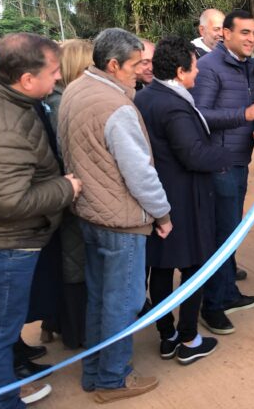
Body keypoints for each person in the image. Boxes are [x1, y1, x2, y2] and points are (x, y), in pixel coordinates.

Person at [0, 32, 81, 408]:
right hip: (2, 244)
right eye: (53, 72)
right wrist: (66, 188)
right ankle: (3, 403)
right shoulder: (0, 128)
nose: (58, 79)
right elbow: (10, 200)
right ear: (26, 79)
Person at [59, 28, 172, 403]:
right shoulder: (117, 106)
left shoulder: (76, 89)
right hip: (120, 221)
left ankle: (94, 372)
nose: (143, 71)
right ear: (112, 64)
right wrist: (162, 214)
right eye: (137, 65)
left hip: (89, 213)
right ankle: (113, 378)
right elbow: (139, 172)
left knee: (100, 299)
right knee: (123, 303)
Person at [136, 36, 231, 364]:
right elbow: (192, 154)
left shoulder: (147, 97)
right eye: (195, 68)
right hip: (183, 202)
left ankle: (167, 335)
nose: (198, 74)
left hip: (159, 199)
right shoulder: (173, 104)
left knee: (160, 269)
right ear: (180, 71)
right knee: (194, 268)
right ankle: (189, 338)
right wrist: (227, 155)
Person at [191, 9, 254, 333]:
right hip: (219, 164)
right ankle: (212, 306)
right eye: (244, 33)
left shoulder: (248, 64)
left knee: (231, 231)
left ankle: (228, 292)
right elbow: (201, 116)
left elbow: (241, 112)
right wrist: (244, 114)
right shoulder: (209, 67)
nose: (251, 39)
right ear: (225, 34)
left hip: (239, 159)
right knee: (220, 237)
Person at [43, 39, 94, 350]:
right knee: (74, 265)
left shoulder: (56, 99)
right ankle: (77, 334)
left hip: (61, 194)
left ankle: (58, 324)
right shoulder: (64, 103)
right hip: (71, 195)